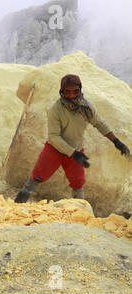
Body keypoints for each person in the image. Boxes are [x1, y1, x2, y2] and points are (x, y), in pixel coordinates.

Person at [15, 74, 130, 203]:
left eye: (75, 91)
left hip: (76, 150)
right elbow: (53, 136)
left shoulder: (86, 108)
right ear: (61, 92)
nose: (71, 96)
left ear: (80, 90)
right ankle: (18, 204)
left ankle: (79, 210)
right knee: (37, 176)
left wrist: (117, 142)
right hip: (55, 149)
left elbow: (100, 124)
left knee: (78, 182)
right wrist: (73, 153)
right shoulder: (55, 110)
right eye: (67, 92)